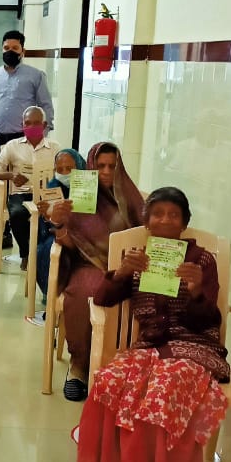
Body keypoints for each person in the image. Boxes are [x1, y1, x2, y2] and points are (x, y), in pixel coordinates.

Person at [75, 187, 230, 462]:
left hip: (194, 348)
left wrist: (196, 291)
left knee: (161, 394)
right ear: (146, 220)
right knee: (106, 383)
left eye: (173, 215)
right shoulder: (137, 256)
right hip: (148, 349)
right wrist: (121, 273)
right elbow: (102, 299)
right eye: (157, 214)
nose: (165, 220)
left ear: (184, 222)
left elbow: (210, 320)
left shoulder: (201, 261)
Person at [49, 142, 144, 401]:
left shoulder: (131, 197)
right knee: (85, 291)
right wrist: (58, 221)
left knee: (152, 295)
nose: (105, 171)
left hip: (128, 267)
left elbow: (146, 231)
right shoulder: (79, 199)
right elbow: (69, 243)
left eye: (112, 166)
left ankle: (131, 368)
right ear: (91, 166)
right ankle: (79, 365)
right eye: (100, 166)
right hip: (88, 265)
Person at [0, 31, 54, 254]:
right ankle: (4, 232)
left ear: (23, 51)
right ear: (2, 49)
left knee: (25, 185)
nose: (10, 52)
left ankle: (31, 231)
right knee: (1, 185)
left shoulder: (35, 76)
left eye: (15, 49)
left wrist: (42, 136)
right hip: (0, 139)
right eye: (6, 48)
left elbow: (46, 107)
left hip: (25, 141)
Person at [0, 107, 60, 264]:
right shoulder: (12, 146)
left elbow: (66, 173)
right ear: (22, 125)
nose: (32, 127)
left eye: (36, 123)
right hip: (21, 193)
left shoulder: (55, 148)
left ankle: (44, 252)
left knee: (56, 215)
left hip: (47, 193)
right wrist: (11, 175)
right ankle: (27, 254)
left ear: (44, 125)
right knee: (18, 214)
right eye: (28, 123)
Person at [33, 148, 87, 308]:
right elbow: (46, 228)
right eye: (59, 169)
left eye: (69, 169)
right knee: (47, 248)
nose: (64, 173)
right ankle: (51, 294)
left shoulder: (90, 188)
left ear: (80, 167)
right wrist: (47, 215)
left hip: (86, 236)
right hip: (58, 234)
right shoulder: (53, 186)